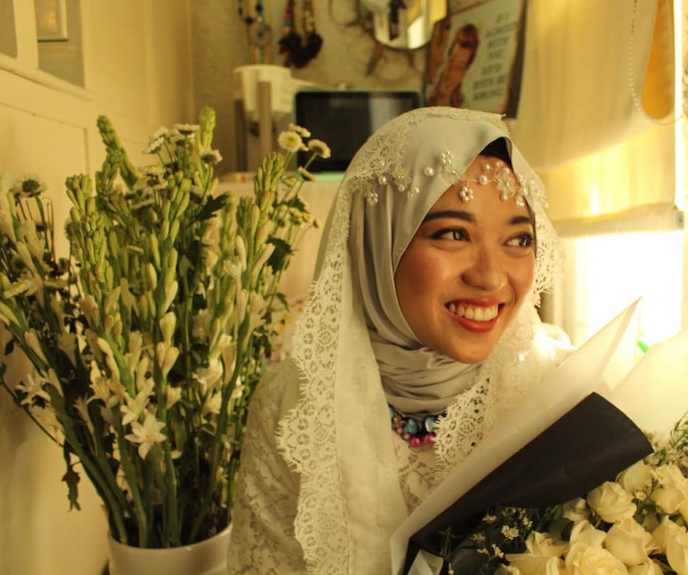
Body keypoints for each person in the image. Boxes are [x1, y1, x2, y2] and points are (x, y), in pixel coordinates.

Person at [227, 106, 564, 574]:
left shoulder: (553, 392)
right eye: (452, 233)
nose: (490, 278)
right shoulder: (294, 409)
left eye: (519, 240)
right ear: (376, 242)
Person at [425, 23, 479, 108]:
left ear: (464, 73)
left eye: (459, 68)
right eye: (450, 62)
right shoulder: (424, 103)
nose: (450, 73)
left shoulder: (468, 111)